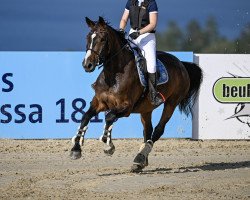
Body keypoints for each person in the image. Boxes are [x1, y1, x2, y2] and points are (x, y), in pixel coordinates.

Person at [119, 0, 164, 106]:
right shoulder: (131, 2)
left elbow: (153, 24)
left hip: (147, 37)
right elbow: (124, 19)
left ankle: (153, 94)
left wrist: (139, 32)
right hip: (132, 35)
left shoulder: (151, 3)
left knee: (151, 65)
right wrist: (121, 29)